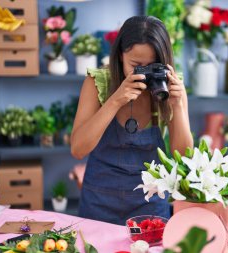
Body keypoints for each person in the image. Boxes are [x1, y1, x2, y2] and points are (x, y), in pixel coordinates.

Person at [70, 16, 193, 225]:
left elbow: (183, 159)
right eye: (136, 66)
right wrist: (115, 100)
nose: (144, 75)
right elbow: (78, 149)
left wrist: (178, 106)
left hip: (150, 203)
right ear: (120, 56)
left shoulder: (170, 87)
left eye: (152, 66)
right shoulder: (97, 82)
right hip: (98, 201)